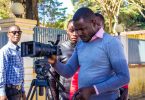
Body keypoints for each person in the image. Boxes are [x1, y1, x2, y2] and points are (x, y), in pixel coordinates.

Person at [48, 7, 130, 100]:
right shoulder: (80, 45)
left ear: (94, 23)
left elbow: (124, 77)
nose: (78, 33)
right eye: (76, 29)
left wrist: (92, 90)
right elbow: (68, 71)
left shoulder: (111, 42)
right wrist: (54, 62)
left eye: (82, 29)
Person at [69, 12, 105, 100]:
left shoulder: (110, 44)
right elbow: (71, 73)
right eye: (74, 30)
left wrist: (125, 89)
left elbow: (120, 75)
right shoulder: (81, 45)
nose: (76, 33)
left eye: (99, 25)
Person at [49, 19, 79, 100]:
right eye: (71, 30)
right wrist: (54, 98)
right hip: (65, 96)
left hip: (83, 95)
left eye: (77, 30)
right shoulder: (60, 48)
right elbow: (52, 77)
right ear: (67, 31)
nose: (75, 34)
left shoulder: (87, 48)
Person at [0, 25, 26, 100]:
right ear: (8, 34)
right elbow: (1, 71)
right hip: (9, 91)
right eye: (14, 32)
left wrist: (23, 90)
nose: (17, 34)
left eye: (19, 32)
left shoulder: (19, 50)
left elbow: (20, 71)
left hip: (19, 90)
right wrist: (1, 93)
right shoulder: (5, 51)